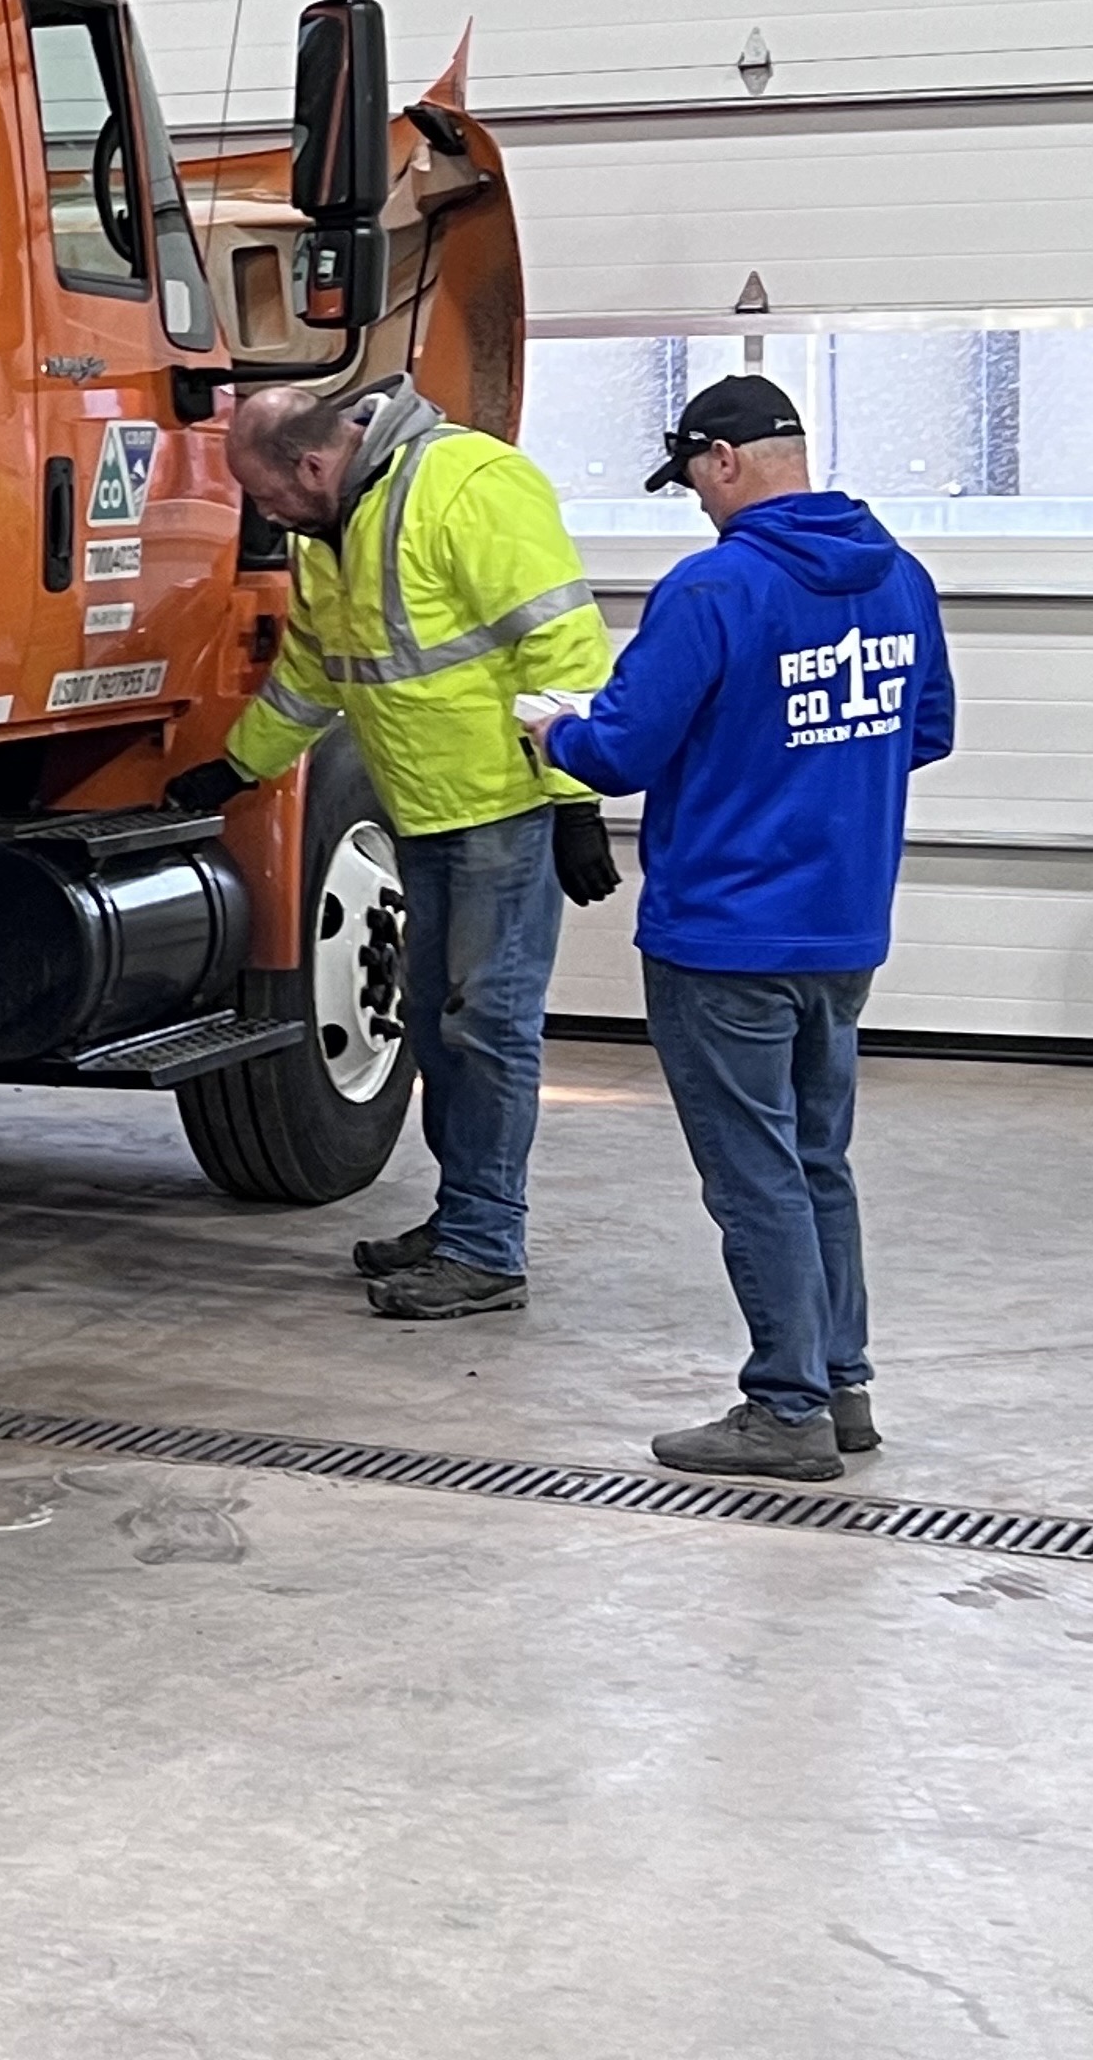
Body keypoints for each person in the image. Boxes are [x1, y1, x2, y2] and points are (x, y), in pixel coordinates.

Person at [523, 372, 954, 1482]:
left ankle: (786, 1409)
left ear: (723, 459)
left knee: (755, 1172)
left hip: (724, 933)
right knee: (818, 1160)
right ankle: (842, 1386)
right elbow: (926, 729)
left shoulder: (714, 590)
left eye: (695, 483)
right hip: (844, 925)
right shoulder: (901, 577)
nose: (699, 505)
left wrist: (554, 736)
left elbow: (620, 751)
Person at [169, 375, 618, 1320]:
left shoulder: (472, 485)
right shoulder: (328, 527)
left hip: (505, 811)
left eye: (267, 492)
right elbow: (311, 675)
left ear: (315, 461)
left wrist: (578, 800)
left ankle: (487, 1246)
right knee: (435, 1028)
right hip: (424, 816)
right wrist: (237, 769)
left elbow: (566, 649)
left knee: (488, 1032)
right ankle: (463, 1223)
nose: (263, 512)